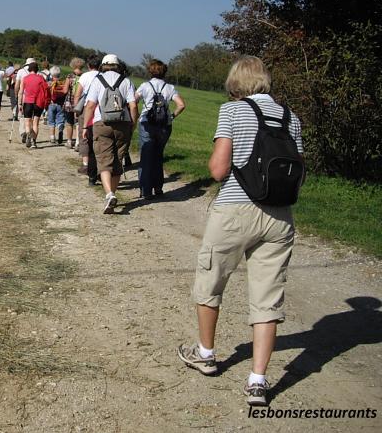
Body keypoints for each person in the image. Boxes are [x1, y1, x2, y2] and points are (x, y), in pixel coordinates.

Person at [177, 56, 304, 407]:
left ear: (236, 82)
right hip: (279, 216)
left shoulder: (233, 111)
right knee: (267, 297)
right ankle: (258, 381)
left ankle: (205, 353)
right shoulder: (291, 117)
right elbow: (299, 169)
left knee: (211, 280)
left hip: (235, 210)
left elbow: (219, 170)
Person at [81, 54, 137, 213]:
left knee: (104, 159)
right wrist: (132, 124)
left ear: (103, 65)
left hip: (102, 123)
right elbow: (133, 106)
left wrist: (85, 127)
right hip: (123, 124)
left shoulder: (98, 80)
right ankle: (112, 193)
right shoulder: (126, 81)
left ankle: (109, 194)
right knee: (118, 160)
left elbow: (90, 105)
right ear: (118, 65)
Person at [134, 59, 186, 198]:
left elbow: (134, 101)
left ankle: (145, 190)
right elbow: (181, 105)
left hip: (147, 123)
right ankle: (158, 188)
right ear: (164, 72)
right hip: (164, 125)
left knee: (146, 157)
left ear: (150, 71)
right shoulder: (169, 88)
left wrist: (137, 115)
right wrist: (171, 117)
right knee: (158, 155)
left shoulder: (145, 86)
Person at [74, 55, 101, 182]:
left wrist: (76, 109)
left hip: (86, 108)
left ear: (88, 65)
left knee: (84, 135)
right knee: (97, 136)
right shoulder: (102, 76)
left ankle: (86, 164)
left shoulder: (84, 76)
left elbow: (77, 94)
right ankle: (98, 164)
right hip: (99, 109)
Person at [19, 61, 49, 148]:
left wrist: (20, 103)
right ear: (37, 69)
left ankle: (29, 135)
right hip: (38, 103)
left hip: (28, 102)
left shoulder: (25, 78)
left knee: (27, 122)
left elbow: (21, 92)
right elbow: (46, 90)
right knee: (36, 123)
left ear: (29, 69)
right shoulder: (41, 78)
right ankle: (33, 142)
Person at [63, 58, 85, 149]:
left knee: (69, 123)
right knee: (78, 123)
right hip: (80, 102)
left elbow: (65, 91)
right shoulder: (84, 76)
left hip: (69, 102)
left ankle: (69, 141)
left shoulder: (70, 76)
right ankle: (77, 142)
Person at [14, 58, 35, 143]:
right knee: (31, 116)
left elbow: (17, 85)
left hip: (23, 96)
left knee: (22, 115)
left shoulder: (21, 71)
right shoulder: (37, 72)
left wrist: (16, 94)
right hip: (34, 97)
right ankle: (29, 131)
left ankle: (23, 132)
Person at [46, 66, 67, 144]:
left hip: (51, 104)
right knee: (60, 119)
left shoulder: (49, 83)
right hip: (60, 104)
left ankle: (52, 137)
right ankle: (60, 128)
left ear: (51, 74)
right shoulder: (63, 83)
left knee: (51, 121)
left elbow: (47, 94)